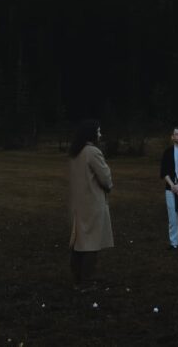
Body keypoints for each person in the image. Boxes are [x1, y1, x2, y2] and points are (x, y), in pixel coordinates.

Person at [68, 120, 113, 290]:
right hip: (92, 204)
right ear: (91, 134)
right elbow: (106, 179)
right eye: (99, 131)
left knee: (79, 241)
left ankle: (77, 279)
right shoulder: (93, 152)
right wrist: (109, 184)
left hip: (78, 203)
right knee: (91, 244)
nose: (100, 135)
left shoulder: (75, 152)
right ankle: (86, 282)